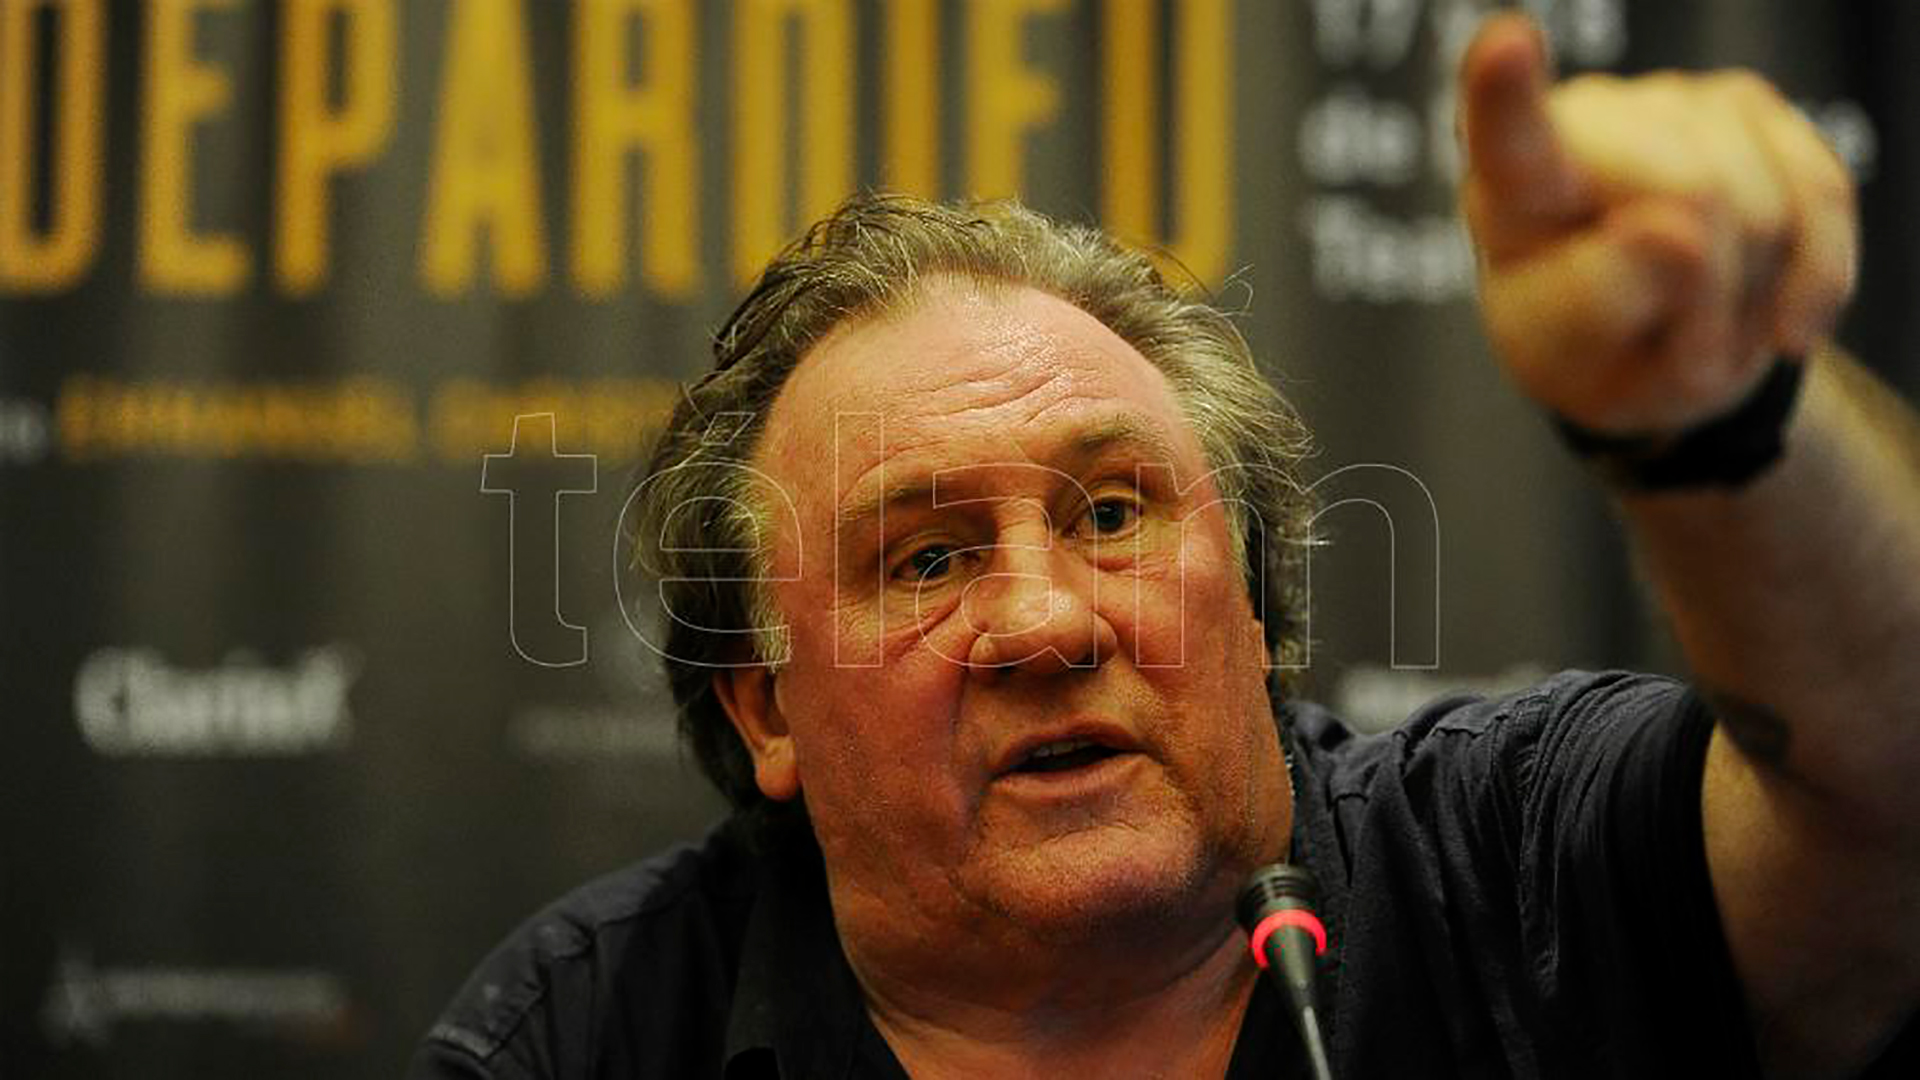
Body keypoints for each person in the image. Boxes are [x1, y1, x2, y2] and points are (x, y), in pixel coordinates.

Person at [411, 14, 1919, 1079]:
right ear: (768, 712)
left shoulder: (1511, 861)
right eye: (925, 560)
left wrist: (1726, 416)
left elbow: (1886, 799)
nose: (1048, 621)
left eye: (1115, 515)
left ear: (1252, 607)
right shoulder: (581, 1038)